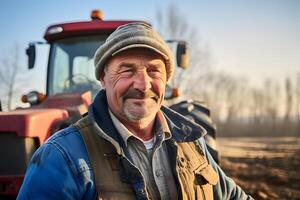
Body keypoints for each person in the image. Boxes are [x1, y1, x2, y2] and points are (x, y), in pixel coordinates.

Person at [17, 22, 253, 200]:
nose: (143, 85)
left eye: (154, 71)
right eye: (127, 70)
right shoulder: (62, 157)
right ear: (103, 79)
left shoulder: (193, 143)